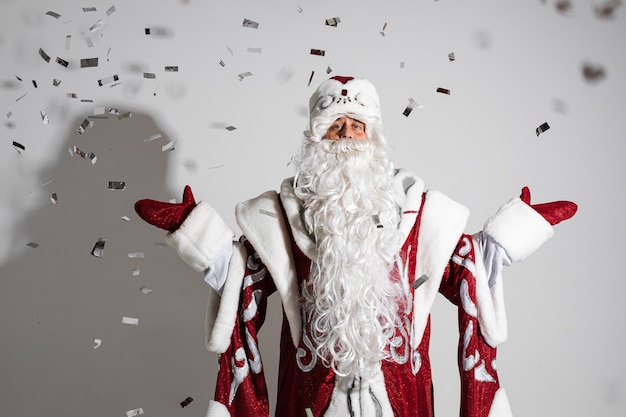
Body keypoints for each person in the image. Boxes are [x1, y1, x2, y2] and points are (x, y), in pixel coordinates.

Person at [135, 76, 577, 417]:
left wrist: (510, 236)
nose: (346, 135)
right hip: (310, 398)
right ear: (316, 141)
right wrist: (195, 231)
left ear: (375, 138)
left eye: (357, 126)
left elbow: (466, 268)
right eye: (335, 127)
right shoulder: (286, 224)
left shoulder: (418, 218)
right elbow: (239, 279)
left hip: (402, 401)